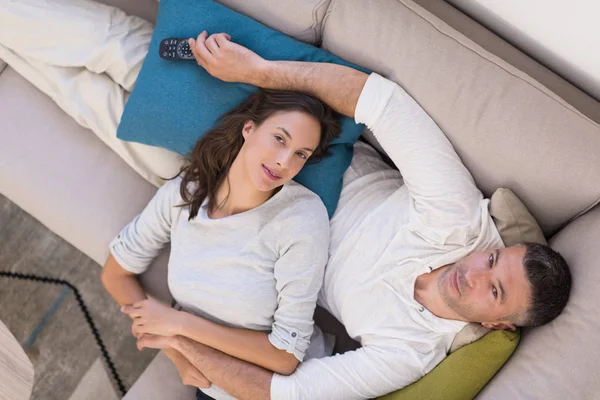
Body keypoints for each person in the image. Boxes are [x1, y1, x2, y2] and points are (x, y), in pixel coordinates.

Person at [133, 32, 572, 400]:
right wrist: (256, 72)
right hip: (295, 155)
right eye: (493, 259)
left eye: (494, 290)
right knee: (128, 61)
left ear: (497, 324)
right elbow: (382, 103)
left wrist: (181, 339)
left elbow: (286, 393)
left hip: (250, 236)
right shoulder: (458, 217)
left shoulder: (409, 353)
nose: (475, 271)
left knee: (131, 136)